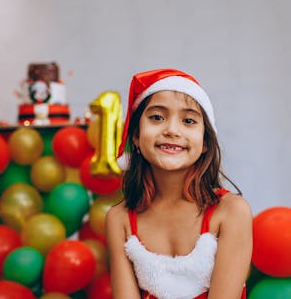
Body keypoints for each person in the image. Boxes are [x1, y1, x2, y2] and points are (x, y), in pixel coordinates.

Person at [106, 68, 253, 299]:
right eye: (157, 117)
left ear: (205, 142)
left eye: (188, 120)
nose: (172, 130)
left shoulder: (231, 211)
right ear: (135, 136)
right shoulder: (119, 219)